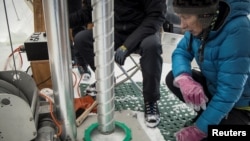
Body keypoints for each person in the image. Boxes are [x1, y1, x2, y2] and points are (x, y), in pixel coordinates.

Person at [165, 0, 250, 140]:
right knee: (173, 78)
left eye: (185, 17)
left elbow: (228, 92)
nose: (182, 25)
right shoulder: (202, 25)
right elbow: (181, 52)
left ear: (205, 15)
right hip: (214, 88)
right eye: (180, 17)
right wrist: (184, 78)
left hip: (239, 105)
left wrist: (199, 130)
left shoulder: (238, 31)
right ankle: (208, 116)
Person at [73, 0, 166, 128]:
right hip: (114, 30)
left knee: (152, 47)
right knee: (81, 39)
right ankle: (106, 78)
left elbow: (156, 16)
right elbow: (89, 11)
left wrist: (127, 46)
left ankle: (151, 101)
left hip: (143, 31)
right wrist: (61, 21)